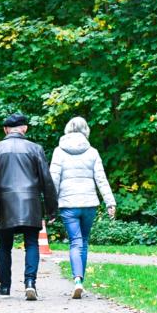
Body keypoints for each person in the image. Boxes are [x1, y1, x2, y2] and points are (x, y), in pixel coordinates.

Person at [0, 113, 57, 300]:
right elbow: (47, 181)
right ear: (25, 128)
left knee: (4, 245)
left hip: (5, 205)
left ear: (6, 129)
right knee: (32, 243)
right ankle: (30, 283)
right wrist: (51, 209)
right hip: (30, 203)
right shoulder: (35, 149)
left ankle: (4, 287)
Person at [49, 116, 116, 299]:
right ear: (86, 129)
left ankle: (77, 280)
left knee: (75, 242)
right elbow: (101, 179)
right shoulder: (92, 151)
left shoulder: (59, 151)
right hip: (89, 204)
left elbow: (53, 179)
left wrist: (50, 205)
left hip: (68, 204)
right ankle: (81, 281)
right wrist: (110, 202)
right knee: (84, 242)